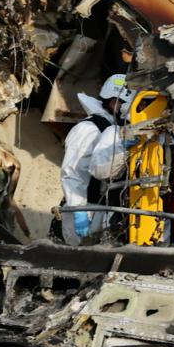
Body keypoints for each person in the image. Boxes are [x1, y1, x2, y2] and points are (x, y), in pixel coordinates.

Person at [59, 73, 130, 243]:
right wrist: (78, 209)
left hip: (104, 208)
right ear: (113, 102)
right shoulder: (90, 128)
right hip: (86, 209)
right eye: (124, 103)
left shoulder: (117, 130)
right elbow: (73, 172)